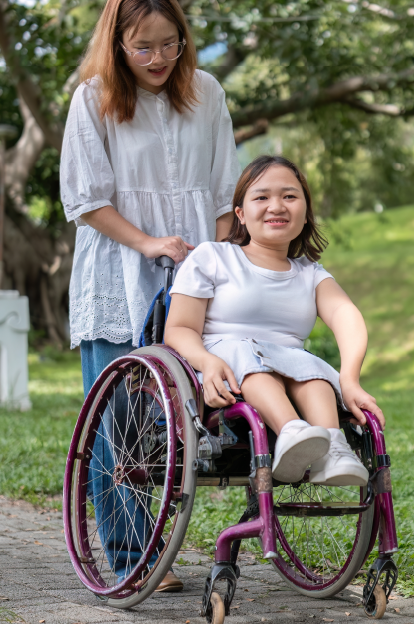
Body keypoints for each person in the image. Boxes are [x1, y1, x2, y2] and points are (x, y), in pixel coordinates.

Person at [60, 0, 239, 591]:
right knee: (117, 418)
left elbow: (221, 193)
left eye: (170, 44)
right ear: (117, 46)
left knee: (174, 419)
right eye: (143, 48)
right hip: (119, 268)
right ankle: (130, 553)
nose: (159, 59)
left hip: (191, 278)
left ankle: (158, 542)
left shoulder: (207, 93)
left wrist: (213, 261)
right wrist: (148, 243)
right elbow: (86, 200)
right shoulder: (93, 100)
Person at [165, 156, 385, 486]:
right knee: (254, 364)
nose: (276, 206)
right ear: (240, 212)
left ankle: (333, 447)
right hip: (223, 362)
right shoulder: (214, 257)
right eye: (262, 197)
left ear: (305, 211)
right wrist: (207, 362)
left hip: (287, 361)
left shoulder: (310, 274)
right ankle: (290, 431)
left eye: (289, 196)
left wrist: (350, 378)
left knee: (313, 374)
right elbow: (179, 328)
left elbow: (346, 316)